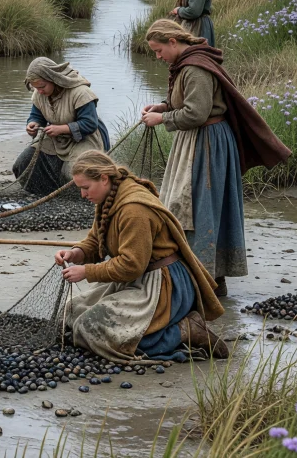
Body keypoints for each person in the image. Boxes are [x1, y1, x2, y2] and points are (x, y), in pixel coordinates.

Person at [141, 19, 289, 297]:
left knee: (200, 207)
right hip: (196, 140)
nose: (158, 56)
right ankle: (208, 278)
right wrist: (163, 105)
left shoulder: (195, 68)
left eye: (159, 50)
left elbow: (196, 113)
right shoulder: (187, 65)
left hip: (207, 143)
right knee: (192, 206)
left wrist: (162, 117)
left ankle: (204, 278)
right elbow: (187, 103)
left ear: (173, 42)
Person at [57, 151, 229, 361]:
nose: (83, 195)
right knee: (72, 312)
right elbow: (97, 239)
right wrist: (77, 253)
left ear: (103, 178)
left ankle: (185, 330)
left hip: (164, 286)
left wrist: (86, 271)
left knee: (92, 328)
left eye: (85, 188)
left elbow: (131, 265)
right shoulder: (108, 197)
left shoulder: (133, 209)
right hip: (136, 280)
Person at [13, 57, 110, 195]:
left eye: (42, 87)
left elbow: (90, 124)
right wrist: (33, 124)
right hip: (56, 136)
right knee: (24, 163)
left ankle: (82, 197)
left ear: (53, 79)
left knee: (74, 172)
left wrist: (62, 129)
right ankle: (44, 194)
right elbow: (36, 116)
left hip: (85, 138)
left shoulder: (80, 92)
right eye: (35, 87)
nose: (39, 91)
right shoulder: (39, 93)